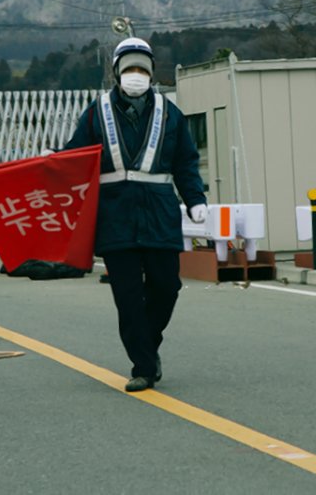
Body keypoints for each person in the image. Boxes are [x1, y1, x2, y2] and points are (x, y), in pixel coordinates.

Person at [64, 37, 207, 392]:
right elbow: (75, 157)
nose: (136, 75)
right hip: (116, 218)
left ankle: (148, 345)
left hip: (160, 213)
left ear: (151, 72)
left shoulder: (170, 112)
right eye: (129, 68)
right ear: (117, 72)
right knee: (127, 298)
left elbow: (185, 162)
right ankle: (143, 367)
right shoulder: (96, 112)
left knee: (166, 287)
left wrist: (195, 199)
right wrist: (51, 160)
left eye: (142, 69)